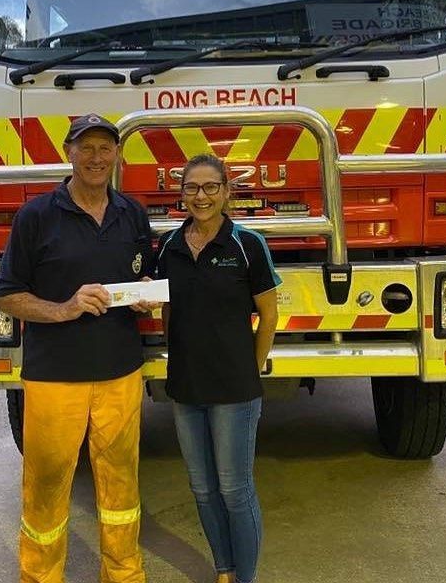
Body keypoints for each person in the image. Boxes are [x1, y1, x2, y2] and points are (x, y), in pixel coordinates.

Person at [0, 113, 155, 583]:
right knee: (45, 486)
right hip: (54, 377)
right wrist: (65, 308)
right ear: (69, 153)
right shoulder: (36, 216)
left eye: (106, 148)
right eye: (86, 148)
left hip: (120, 372)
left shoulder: (132, 213)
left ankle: (124, 574)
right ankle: (40, 577)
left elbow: (137, 275)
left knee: (122, 484)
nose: (97, 158)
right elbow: (6, 294)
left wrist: (142, 294)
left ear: (118, 155)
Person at [156, 154, 280, 583]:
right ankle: (224, 570)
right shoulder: (170, 248)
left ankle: (245, 578)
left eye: (211, 187)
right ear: (181, 194)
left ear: (227, 192)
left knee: (234, 489)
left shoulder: (247, 245)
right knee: (203, 490)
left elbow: (269, 313)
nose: (201, 196)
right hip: (186, 387)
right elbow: (168, 309)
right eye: (192, 188)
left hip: (235, 389)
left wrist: (253, 364)